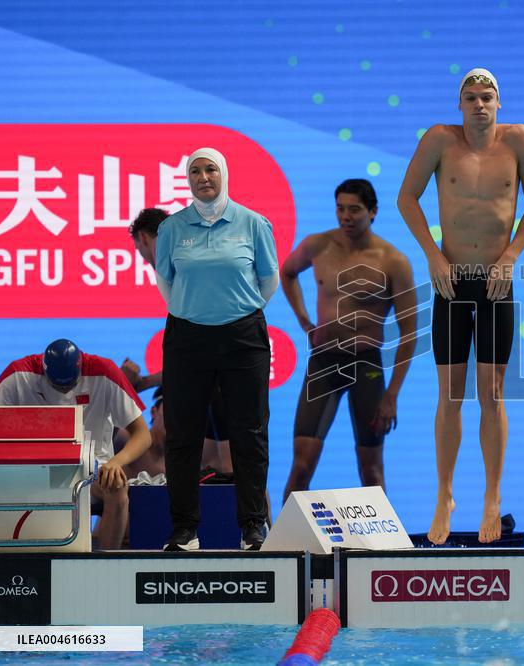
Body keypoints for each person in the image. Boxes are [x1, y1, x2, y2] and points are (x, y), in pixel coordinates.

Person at [397, 68, 524, 544]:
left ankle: (492, 496)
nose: (479, 105)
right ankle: (443, 494)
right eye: (470, 98)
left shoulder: (519, 140)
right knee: (450, 394)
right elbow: (407, 198)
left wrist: (511, 255)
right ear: (458, 104)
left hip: (496, 283)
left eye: (487, 97)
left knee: (494, 393)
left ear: (499, 103)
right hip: (451, 281)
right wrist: (432, 254)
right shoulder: (440, 141)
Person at [153, 147, 279, 551]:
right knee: (183, 436)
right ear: (186, 179)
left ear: (224, 173)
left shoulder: (253, 223)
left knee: (250, 433)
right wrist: (197, 312)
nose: (203, 177)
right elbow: (166, 283)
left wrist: (234, 310)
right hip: (188, 337)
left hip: (243, 337)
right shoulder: (172, 228)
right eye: (195, 171)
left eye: (211, 169)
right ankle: (185, 529)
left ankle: (253, 527)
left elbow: (268, 280)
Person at [280, 179, 417, 501]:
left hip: (366, 367)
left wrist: (392, 394)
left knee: (372, 472)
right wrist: (304, 322)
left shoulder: (392, 261)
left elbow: (409, 331)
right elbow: (287, 272)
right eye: (340, 209)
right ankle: (282, 548)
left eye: (354, 209)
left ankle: (381, 550)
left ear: (373, 212)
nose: (346, 216)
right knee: (301, 466)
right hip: (324, 363)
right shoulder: (318, 245)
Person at [0, 339, 151, 550]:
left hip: (92, 467)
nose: (63, 391)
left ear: (80, 367)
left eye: (70, 384)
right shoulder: (20, 373)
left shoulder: (105, 372)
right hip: (32, 469)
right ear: (44, 369)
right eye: (56, 385)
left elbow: (143, 434)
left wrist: (116, 461)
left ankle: (106, 564)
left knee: (117, 487)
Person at [126, 207, 233, 474]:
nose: (143, 258)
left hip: (224, 376)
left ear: (143, 238)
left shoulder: (182, 268)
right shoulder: (184, 264)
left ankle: (262, 518)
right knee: (211, 466)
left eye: (139, 249)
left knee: (235, 468)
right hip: (212, 378)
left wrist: (144, 383)